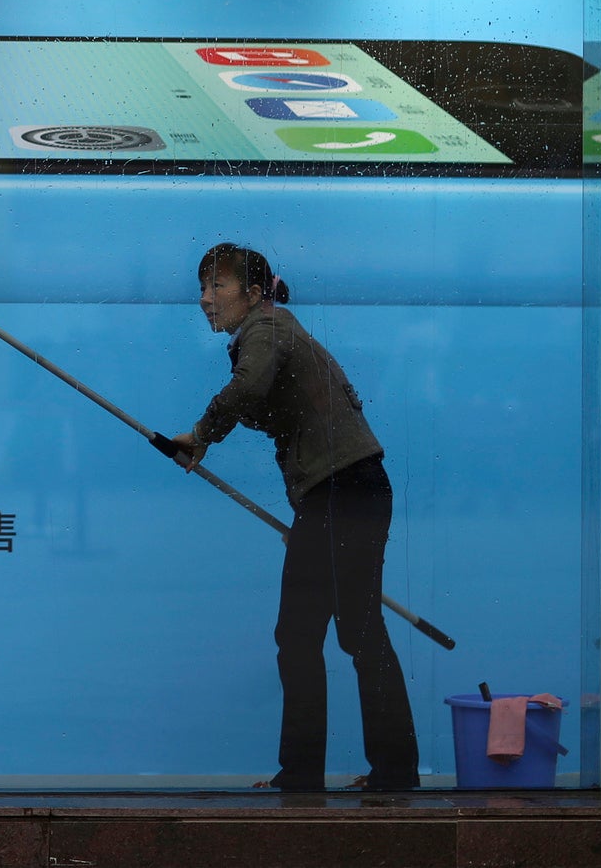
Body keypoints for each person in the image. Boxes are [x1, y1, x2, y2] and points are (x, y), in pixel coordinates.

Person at [168, 242, 420, 793]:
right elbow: (269, 404)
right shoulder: (273, 331)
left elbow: (248, 389)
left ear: (254, 294)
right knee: (357, 633)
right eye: (202, 288)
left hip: (342, 494)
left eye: (219, 287)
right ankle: (393, 772)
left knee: (303, 634)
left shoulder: (268, 329)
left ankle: (304, 773)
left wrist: (202, 435)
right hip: (348, 494)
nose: (206, 300)